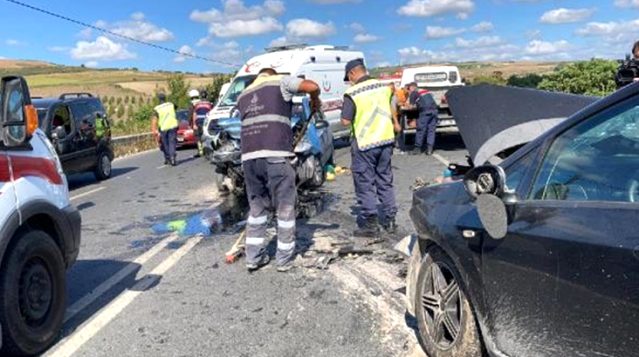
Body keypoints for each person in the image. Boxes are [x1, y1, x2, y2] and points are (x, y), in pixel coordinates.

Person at [237, 67, 321, 272]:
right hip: (275, 156)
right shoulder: (280, 81)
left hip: (249, 159)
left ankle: (253, 257)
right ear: (272, 73)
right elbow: (313, 86)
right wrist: (314, 99)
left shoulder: (243, 95)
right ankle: (284, 260)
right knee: (285, 207)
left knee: (257, 209)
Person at [341, 59, 400, 238]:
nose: (349, 81)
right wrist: (396, 123)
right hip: (386, 139)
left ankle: (370, 223)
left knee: (364, 182)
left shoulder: (352, 92)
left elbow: (345, 121)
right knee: (384, 178)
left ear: (352, 73)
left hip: (365, 143)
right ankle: (390, 219)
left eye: (348, 77)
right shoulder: (384, 88)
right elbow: (392, 108)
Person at [406, 82, 438, 156]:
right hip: (434, 111)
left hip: (425, 112)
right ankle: (430, 149)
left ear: (411, 87)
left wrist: (407, 106)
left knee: (421, 130)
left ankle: (417, 148)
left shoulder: (414, 93)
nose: (408, 91)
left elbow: (411, 107)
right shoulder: (425, 90)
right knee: (431, 130)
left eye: (408, 89)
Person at [151, 93, 178, 166]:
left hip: (163, 128)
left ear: (159, 100)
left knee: (165, 144)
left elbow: (154, 120)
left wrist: (154, 131)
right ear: (165, 98)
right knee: (172, 142)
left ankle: (169, 157)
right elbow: (175, 107)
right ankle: (172, 158)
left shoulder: (157, 109)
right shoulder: (171, 104)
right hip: (173, 126)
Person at [188, 89, 213, 158]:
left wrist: (194, 124)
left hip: (198, 123)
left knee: (199, 138)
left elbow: (194, 114)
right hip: (206, 123)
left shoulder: (197, 105)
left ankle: (201, 151)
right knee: (207, 136)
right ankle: (208, 150)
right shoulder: (209, 104)